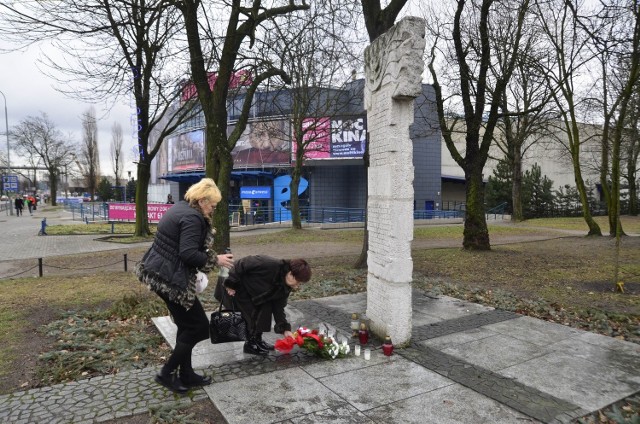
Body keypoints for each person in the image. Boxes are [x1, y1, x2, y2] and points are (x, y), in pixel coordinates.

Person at [135, 178, 234, 394]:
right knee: (197, 327)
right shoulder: (192, 218)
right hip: (171, 280)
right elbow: (187, 253)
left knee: (186, 325)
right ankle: (166, 373)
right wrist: (215, 260)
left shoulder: (180, 206)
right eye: (212, 204)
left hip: (161, 273)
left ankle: (186, 374)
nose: (214, 208)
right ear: (201, 200)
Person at [218, 255, 311, 355]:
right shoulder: (269, 264)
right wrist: (230, 283)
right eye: (297, 281)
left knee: (266, 309)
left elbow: (278, 308)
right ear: (291, 273)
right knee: (250, 312)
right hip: (236, 286)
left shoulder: (285, 287)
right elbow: (240, 264)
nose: (296, 286)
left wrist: (285, 330)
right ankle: (250, 344)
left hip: (255, 293)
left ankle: (257, 340)